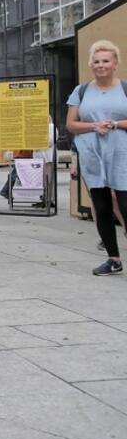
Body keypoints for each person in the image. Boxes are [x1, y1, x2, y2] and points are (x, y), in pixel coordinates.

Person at [66, 40, 127, 276]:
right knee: (101, 208)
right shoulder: (81, 91)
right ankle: (113, 259)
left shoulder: (123, 88)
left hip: (121, 153)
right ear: (91, 64)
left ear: (115, 64)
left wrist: (114, 124)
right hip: (93, 155)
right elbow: (71, 124)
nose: (100, 65)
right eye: (96, 61)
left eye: (105, 61)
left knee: (124, 204)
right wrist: (93, 126)